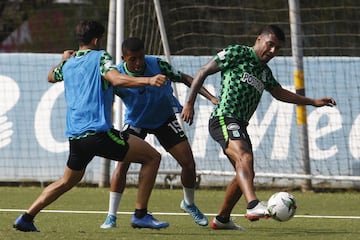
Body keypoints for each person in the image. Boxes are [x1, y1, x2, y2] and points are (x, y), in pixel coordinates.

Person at [13, 20, 170, 232]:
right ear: (96, 40)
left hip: (76, 138)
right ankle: (140, 215)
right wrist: (148, 81)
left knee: (68, 180)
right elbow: (115, 79)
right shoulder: (100, 57)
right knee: (153, 157)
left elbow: (51, 76)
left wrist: (63, 60)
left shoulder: (68, 63)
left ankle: (26, 217)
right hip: (98, 134)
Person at [181, 25, 336, 230]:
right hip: (223, 118)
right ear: (259, 39)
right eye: (270, 45)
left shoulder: (264, 72)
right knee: (245, 158)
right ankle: (252, 204)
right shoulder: (238, 53)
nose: (272, 51)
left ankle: (222, 219)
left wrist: (312, 102)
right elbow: (203, 71)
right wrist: (190, 103)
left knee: (244, 171)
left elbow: (279, 93)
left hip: (239, 124)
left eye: (277, 49)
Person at [100, 37, 218, 229]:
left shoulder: (158, 64)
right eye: (133, 59)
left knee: (188, 163)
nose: (138, 63)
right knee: (122, 166)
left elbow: (187, 78)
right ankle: (111, 216)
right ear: (124, 58)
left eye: (141, 58)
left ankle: (188, 203)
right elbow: (103, 98)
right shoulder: (117, 76)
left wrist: (209, 98)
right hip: (137, 122)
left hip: (164, 120)